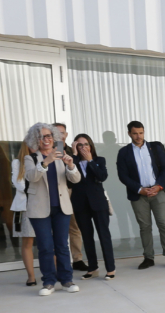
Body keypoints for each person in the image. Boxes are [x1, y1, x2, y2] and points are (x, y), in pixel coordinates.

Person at [23, 122, 81, 296]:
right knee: (46, 247)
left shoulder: (61, 155)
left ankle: (66, 280)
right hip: (39, 209)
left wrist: (71, 165)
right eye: (41, 137)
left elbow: (76, 179)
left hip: (61, 208)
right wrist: (45, 162)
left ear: (54, 137)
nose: (45, 139)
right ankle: (48, 282)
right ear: (35, 140)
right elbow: (31, 177)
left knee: (62, 245)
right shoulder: (31, 158)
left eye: (48, 136)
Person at [115, 121, 165, 270]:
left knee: (163, 223)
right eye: (135, 133)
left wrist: (158, 186)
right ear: (129, 133)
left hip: (158, 192)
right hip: (139, 195)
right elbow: (123, 175)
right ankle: (148, 257)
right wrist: (139, 189)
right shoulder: (124, 152)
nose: (138, 136)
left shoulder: (154, 148)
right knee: (145, 227)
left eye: (141, 133)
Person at [70, 133, 116, 280]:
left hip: (98, 202)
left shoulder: (99, 160)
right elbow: (70, 180)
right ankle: (93, 268)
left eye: (86, 144)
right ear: (75, 147)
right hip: (80, 203)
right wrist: (74, 156)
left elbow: (102, 177)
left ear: (91, 146)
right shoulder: (73, 161)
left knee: (104, 235)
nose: (83, 147)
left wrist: (90, 161)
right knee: (87, 236)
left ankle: (110, 268)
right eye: (80, 145)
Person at [53, 122, 86, 271]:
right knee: (56, 228)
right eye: (56, 132)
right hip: (53, 192)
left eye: (62, 132)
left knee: (75, 227)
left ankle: (77, 259)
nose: (60, 135)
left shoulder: (71, 150)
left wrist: (74, 153)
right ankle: (57, 261)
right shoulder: (48, 150)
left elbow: (77, 170)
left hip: (71, 191)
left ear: (66, 134)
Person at [10, 142, 38, 286]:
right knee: (27, 242)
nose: (36, 145)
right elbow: (19, 184)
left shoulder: (44, 159)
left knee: (50, 242)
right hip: (24, 207)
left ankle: (54, 273)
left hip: (43, 205)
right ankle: (31, 276)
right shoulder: (17, 162)